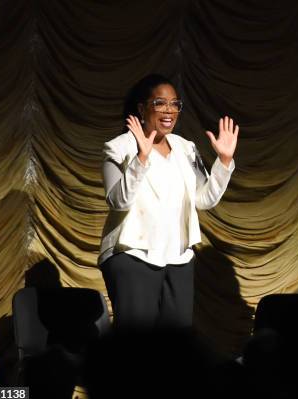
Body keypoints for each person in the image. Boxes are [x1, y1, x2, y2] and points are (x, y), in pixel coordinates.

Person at [98, 74, 238, 328]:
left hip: (178, 257)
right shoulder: (118, 148)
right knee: (136, 342)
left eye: (175, 104)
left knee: (176, 346)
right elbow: (118, 202)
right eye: (160, 103)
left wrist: (224, 162)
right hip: (132, 254)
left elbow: (204, 199)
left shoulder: (185, 148)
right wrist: (141, 159)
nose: (169, 110)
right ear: (141, 109)